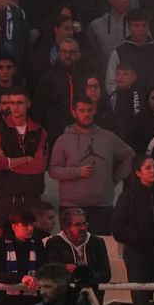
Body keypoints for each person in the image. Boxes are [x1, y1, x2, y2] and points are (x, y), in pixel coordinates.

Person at [49, 99, 134, 235]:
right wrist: (77, 172)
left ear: (94, 111)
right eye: (82, 111)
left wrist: (114, 178)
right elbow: (53, 170)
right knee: (72, 250)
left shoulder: (108, 137)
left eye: (89, 110)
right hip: (71, 207)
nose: (86, 114)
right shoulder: (63, 140)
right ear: (74, 113)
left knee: (100, 249)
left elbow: (129, 156)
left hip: (102, 206)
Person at [113, 156, 154, 305]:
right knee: (140, 300)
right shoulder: (128, 196)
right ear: (138, 172)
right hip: (136, 254)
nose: (153, 171)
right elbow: (117, 226)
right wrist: (136, 237)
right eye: (148, 168)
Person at [0, 89, 47, 234]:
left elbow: (38, 166)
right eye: (12, 103)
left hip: (31, 200)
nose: (15, 107)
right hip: (3, 200)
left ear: (28, 104)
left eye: (19, 103)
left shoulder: (39, 132)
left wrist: (9, 163)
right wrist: (25, 159)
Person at [0, 210, 44, 305]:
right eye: (26, 225)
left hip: (33, 303)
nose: (30, 228)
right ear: (14, 227)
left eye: (32, 224)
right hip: (5, 303)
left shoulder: (37, 242)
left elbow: (43, 269)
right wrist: (22, 278)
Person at [44, 207, 112, 292]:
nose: (83, 228)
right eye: (77, 225)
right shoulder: (54, 243)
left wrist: (78, 271)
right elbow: (56, 275)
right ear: (66, 227)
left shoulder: (97, 242)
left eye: (84, 224)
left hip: (93, 296)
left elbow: (105, 275)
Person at [24, 263, 101, 305]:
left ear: (63, 286)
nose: (42, 292)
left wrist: (93, 301)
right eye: (40, 287)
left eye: (47, 287)